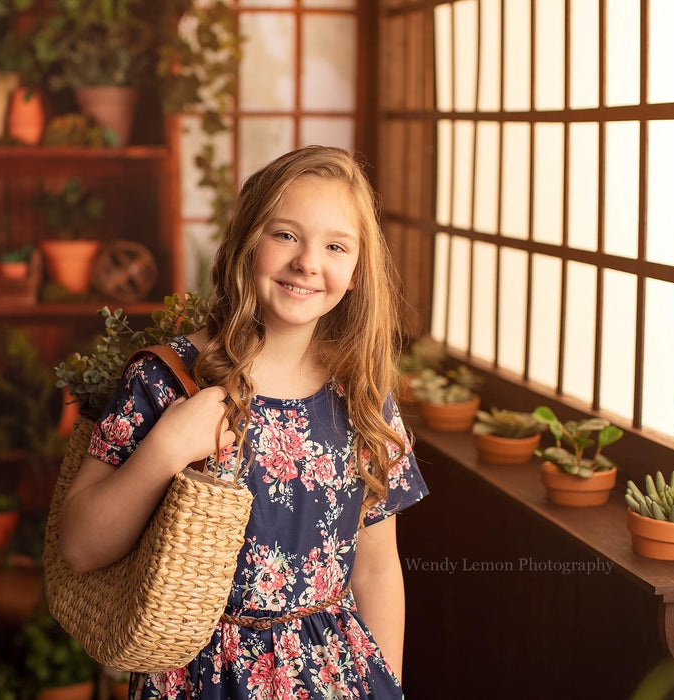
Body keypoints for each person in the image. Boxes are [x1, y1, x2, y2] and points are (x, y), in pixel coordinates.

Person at [59, 145, 428, 699]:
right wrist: (165, 449)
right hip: (197, 679)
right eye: (285, 235)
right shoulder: (168, 380)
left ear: (354, 273)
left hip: (336, 681)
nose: (307, 262)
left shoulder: (364, 399)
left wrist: (390, 686)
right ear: (245, 242)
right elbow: (80, 546)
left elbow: (376, 571)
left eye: (335, 246)